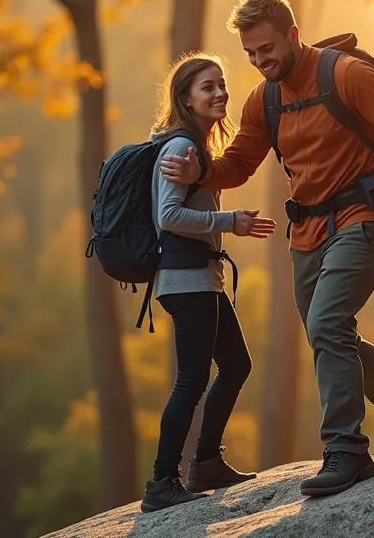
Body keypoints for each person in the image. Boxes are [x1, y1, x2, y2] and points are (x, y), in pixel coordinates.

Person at [160, 0, 374, 497]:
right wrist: (197, 167)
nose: (260, 61)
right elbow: (238, 164)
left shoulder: (345, 74)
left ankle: (346, 450)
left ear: (292, 35)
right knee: (327, 332)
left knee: (329, 323)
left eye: (266, 49)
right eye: (250, 54)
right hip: (306, 232)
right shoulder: (264, 99)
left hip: (365, 217)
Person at [141, 53, 278, 513]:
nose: (220, 93)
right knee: (191, 381)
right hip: (185, 280)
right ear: (185, 98)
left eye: (221, 84)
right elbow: (168, 216)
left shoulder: (193, 145)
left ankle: (205, 463)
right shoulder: (180, 148)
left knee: (236, 364)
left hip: (203, 278)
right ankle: (162, 480)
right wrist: (230, 221)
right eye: (207, 87)